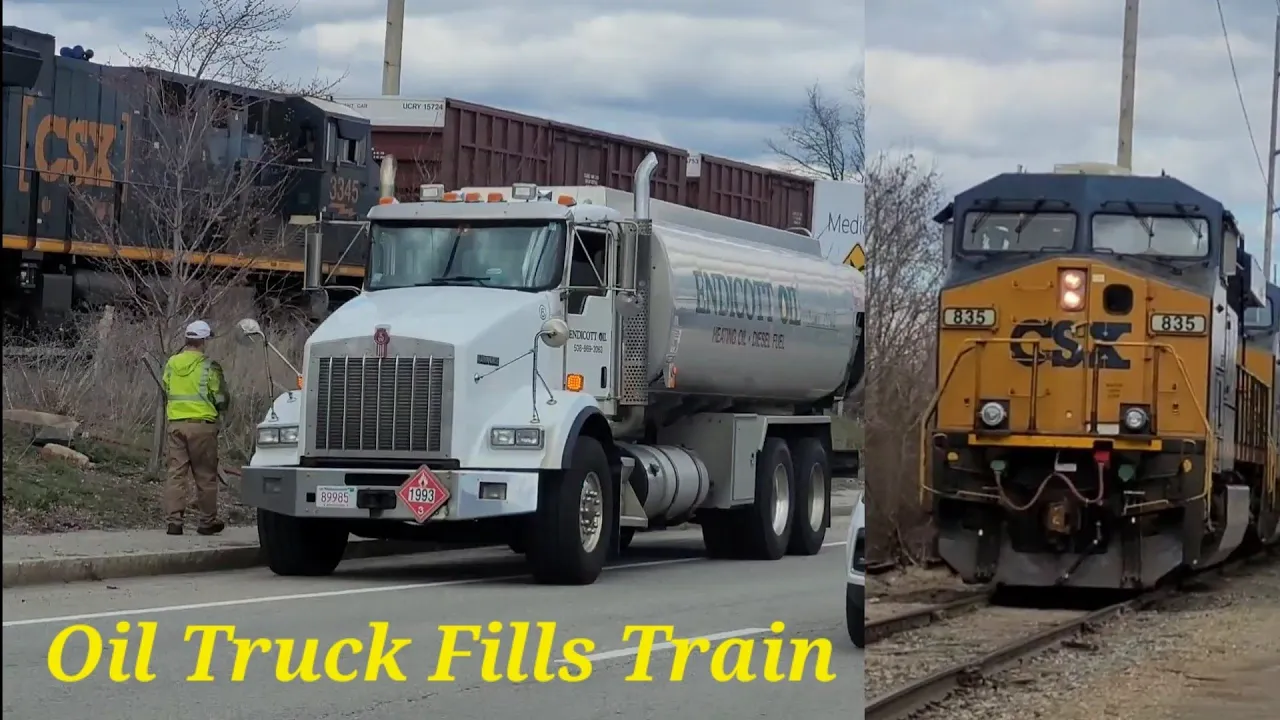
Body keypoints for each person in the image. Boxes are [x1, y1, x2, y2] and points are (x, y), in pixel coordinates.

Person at [161, 320, 228, 536]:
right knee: (205, 475)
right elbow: (221, 398)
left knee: (176, 474)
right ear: (203, 341)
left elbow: (166, 387)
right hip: (202, 427)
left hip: (176, 426)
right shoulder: (209, 366)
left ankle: (174, 522)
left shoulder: (171, 363)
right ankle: (207, 522)